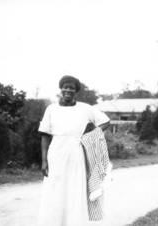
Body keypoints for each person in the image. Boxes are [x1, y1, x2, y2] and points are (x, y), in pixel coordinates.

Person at [37, 75, 110, 226]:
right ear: (61, 88)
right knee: (54, 190)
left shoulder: (85, 108)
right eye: (65, 87)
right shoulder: (51, 109)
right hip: (56, 153)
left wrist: (91, 137)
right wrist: (44, 161)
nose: (68, 90)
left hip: (77, 153)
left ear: (76, 90)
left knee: (74, 190)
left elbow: (105, 121)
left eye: (72, 87)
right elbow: (44, 136)